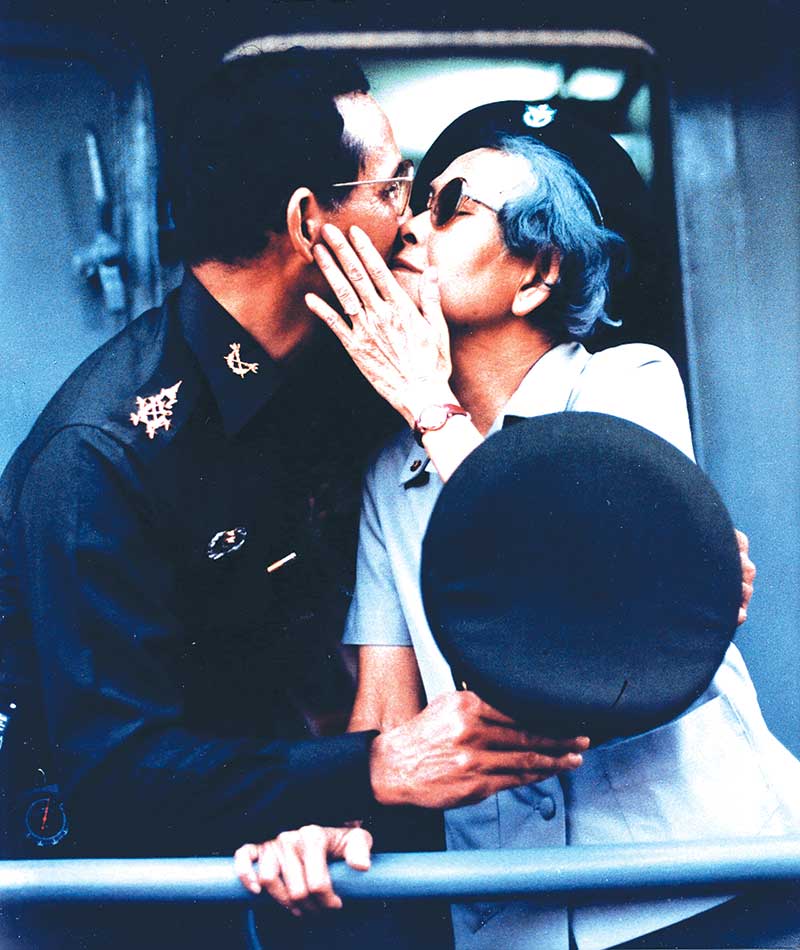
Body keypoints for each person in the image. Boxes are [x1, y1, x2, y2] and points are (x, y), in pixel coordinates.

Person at [0, 60, 587, 949]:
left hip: (297, 837)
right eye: (392, 189)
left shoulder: (343, 374)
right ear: (310, 221)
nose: (409, 221)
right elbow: (117, 772)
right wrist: (375, 766)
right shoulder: (104, 454)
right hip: (117, 898)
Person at [238, 120, 798, 949]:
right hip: (514, 913)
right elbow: (385, 709)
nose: (412, 227)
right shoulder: (394, 473)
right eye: (416, 203)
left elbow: (586, 608)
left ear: (539, 274)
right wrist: (329, 821)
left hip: (701, 889)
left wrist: (432, 407)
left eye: (450, 207)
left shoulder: (627, 384)